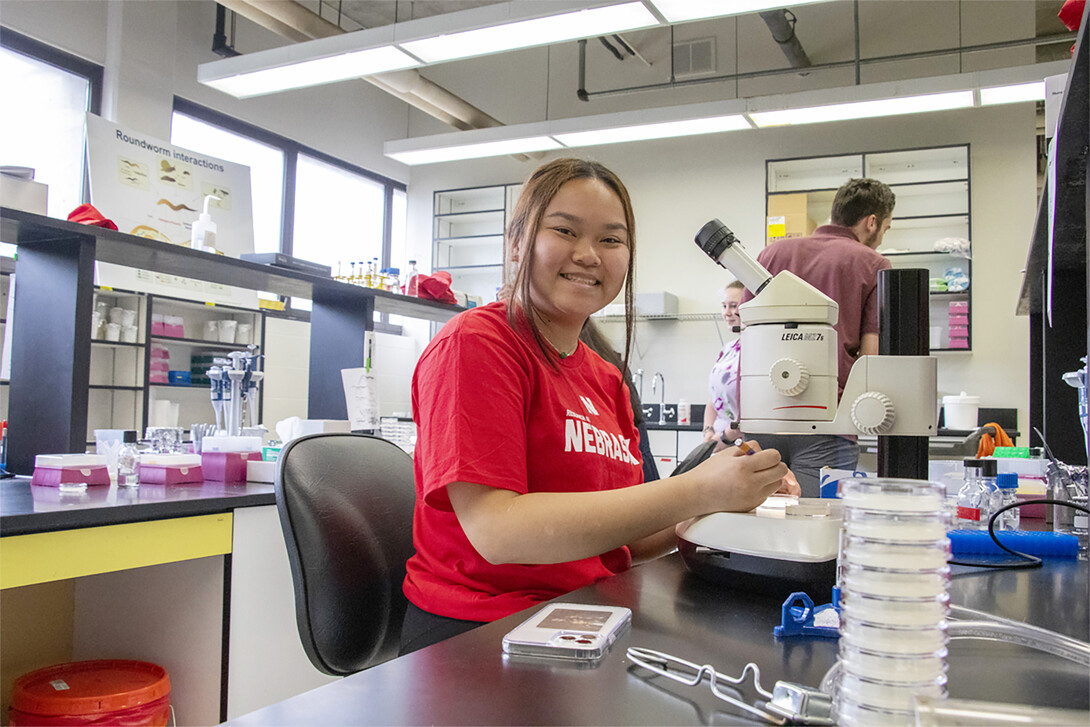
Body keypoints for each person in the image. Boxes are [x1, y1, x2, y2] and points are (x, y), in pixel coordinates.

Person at [400, 158, 791, 654]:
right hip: (480, 634)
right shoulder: (478, 344)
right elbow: (498, 532)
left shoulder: (606, 378)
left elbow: (620, 542)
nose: (588, 255)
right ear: (517, 243)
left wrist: (725, 495)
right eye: (564, 230)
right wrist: (692, 491)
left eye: (611, 240)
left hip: (583, 615)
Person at [744, 177, 895, 497]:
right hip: (828, 421)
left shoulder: (770, 254)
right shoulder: (873, 264)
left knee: (756, 519)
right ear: (872, 222)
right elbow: (871, 357)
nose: (881, 238)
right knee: (817, 520)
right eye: (885, 229)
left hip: (761, 415)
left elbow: (745, 336)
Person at [703, 280, 745, 446]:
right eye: (724, 306)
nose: (727, 313)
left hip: (738, 441)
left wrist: (722, 439)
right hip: (718, 438)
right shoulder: (728, 349)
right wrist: (708, 430)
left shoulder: (757, 352)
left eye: (733, 306)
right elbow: (714, 399)